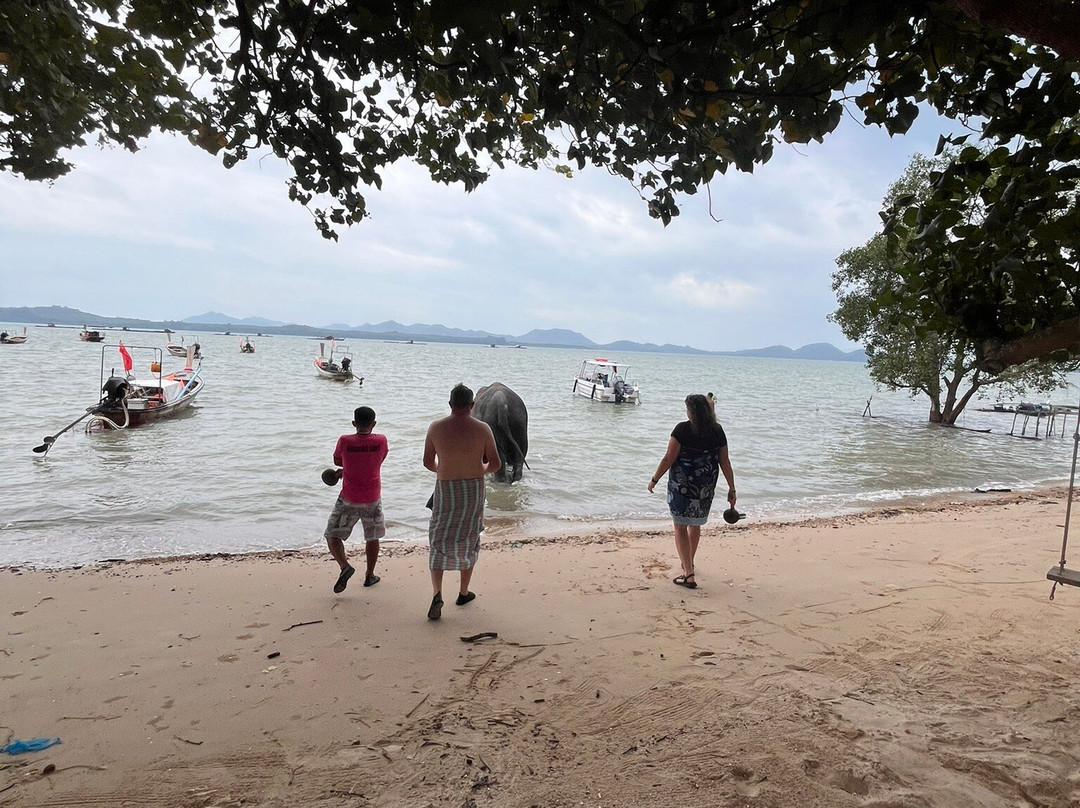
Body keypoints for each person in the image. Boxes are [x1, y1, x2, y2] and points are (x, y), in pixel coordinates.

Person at [422, 383, 501, 620]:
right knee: (469, 535)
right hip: (473, 488)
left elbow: (427, 462)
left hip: (446, 488)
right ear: (472, 405)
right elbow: (496, 464)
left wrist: (442, 469)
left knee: (439, 537)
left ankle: (437, 592)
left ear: (450, 404)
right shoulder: (483, 428)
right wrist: (479, 468)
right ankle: (463, 592)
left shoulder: (436, 427)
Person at [647, 394, 736, 589]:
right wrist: (732, 488)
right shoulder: (717, 431)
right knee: (695, 525)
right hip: (705, 487)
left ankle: (688, 573)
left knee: (679, 526)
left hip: (682, 486)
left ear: (691, 411)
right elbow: (725, 462)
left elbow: (668, 458)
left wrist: (654, 479)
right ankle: (689, 563)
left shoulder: (682, 429)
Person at [324, 406, 389, 594]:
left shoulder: (345, 441)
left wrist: (345, 470)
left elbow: (338, 461)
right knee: (373, 536)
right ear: (374, 423)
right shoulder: (381, 440)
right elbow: (379, 459)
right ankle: (370, 575)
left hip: (349, 499)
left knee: (332, 535)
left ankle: (345, 566)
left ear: (354, 423)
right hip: (373, 498)